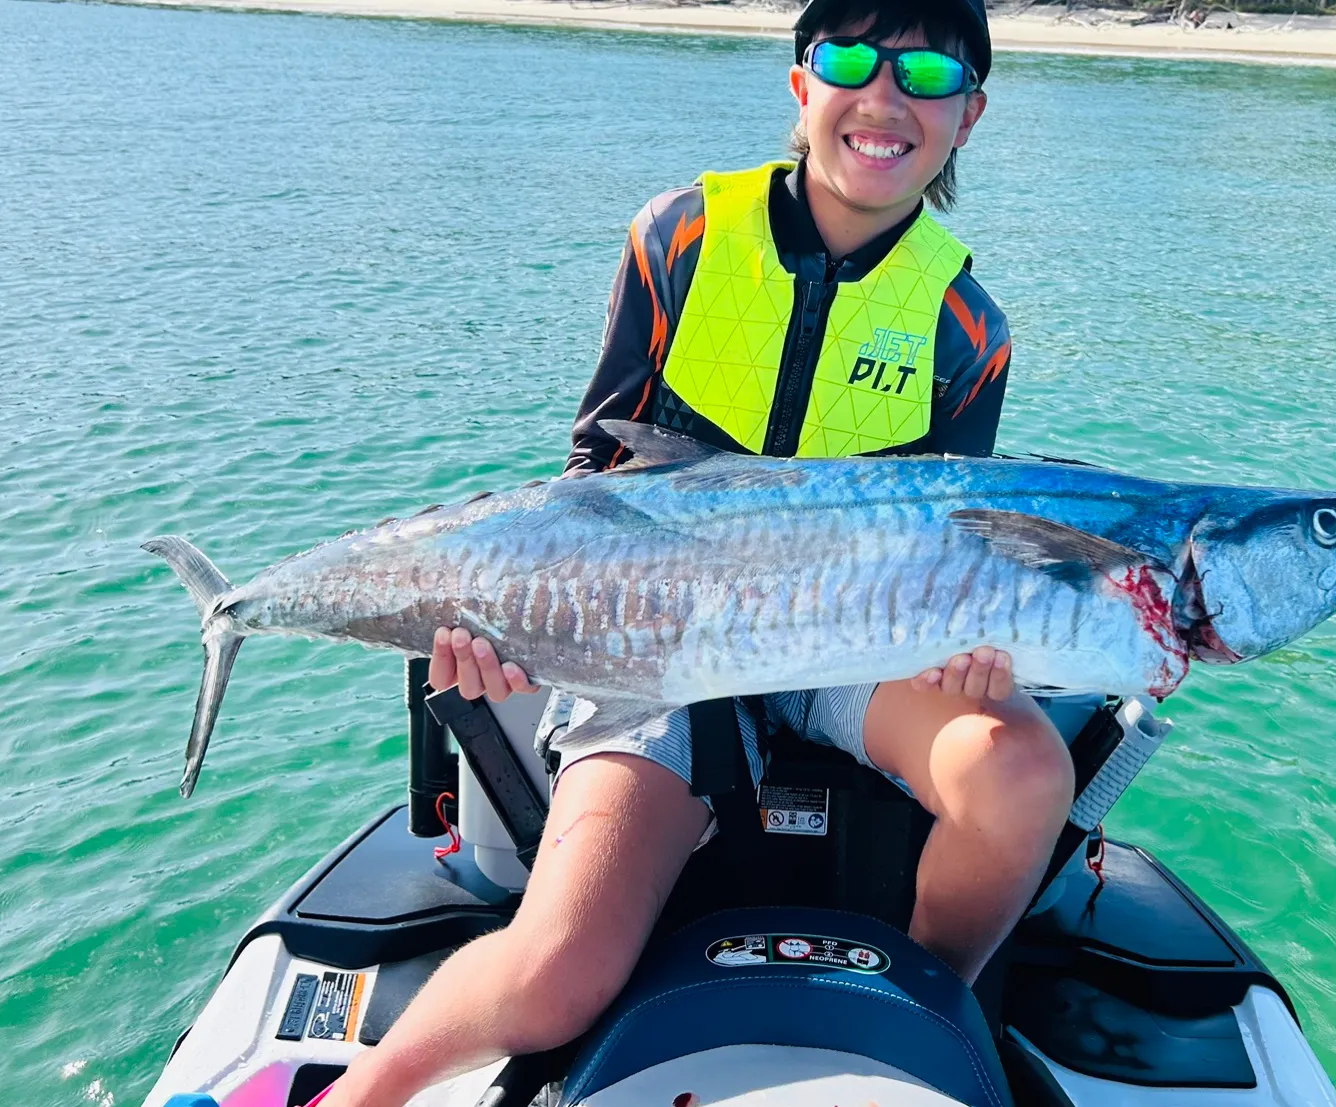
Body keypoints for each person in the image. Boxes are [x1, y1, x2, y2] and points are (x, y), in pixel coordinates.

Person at [324, 2, 1074, 1103]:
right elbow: (594, 477)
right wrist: (524, 632)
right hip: (656, 632)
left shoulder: (968, 327)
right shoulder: (679, 233)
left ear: (970, 114)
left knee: (1022, 770)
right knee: (558, 974)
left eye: (925, 70)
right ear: (800, 85)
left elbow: (949, 542)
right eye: (851, 58)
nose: (885, 96)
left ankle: (922, 1008)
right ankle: (362, 1094)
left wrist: (974, 648)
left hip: (849, 644)